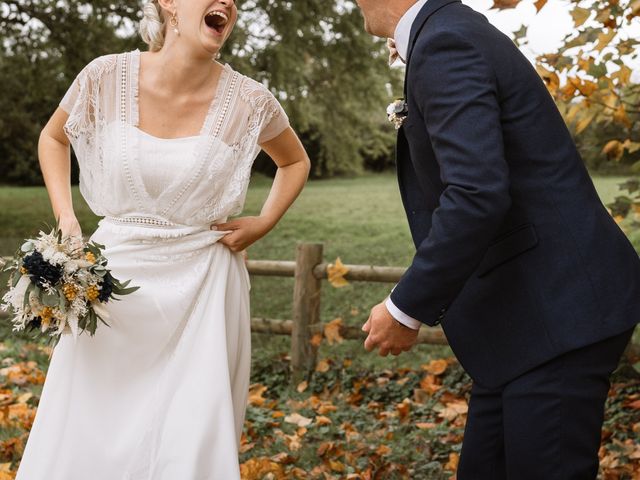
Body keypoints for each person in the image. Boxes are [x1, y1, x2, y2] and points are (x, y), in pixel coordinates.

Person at [15, 0, 310, 478]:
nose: (228, 3)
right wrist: (67, 220)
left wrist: (264, 220)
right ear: (168, 3)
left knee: (189, 436)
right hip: (110, 283)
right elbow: (54, 138)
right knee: (89, 426)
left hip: (204, 286)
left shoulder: (251, 100)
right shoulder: (104, 76)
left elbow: (294, 162)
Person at [356, 0, 640, 478]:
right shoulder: (447, 32)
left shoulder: (446, 41)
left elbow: (475, 194)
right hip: (523, 323)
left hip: (558, 313)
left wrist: (405, 308)